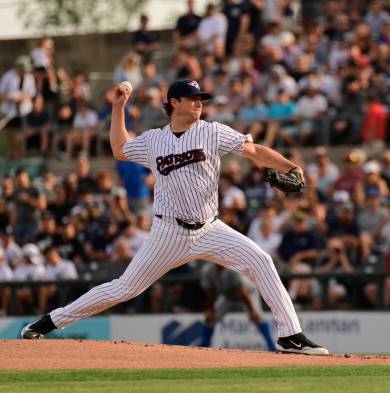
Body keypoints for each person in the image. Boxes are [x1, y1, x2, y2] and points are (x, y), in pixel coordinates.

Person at [21, 79, 328, 355]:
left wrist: (291, 166)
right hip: (169, 232)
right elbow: (118, 148)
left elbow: (253, 151)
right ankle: (51, 321)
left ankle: (291, 336)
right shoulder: (154, 140)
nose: (199, 103)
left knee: (261, 261)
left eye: (201, 99)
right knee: (125, 288)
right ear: (173, 103)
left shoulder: (213, 131)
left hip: (211, 228)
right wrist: (118, 107)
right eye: (192, 98)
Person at [200, 263, 276, 351]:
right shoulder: (207, 270)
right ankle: (204, 346)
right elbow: (209, 292)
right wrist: (210, 310)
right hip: (228, 296)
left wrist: (252, 310)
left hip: (248, 294)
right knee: (210, 319)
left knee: (257, 318)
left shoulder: (231, 270)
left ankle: (272, 347)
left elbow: (242, 292)